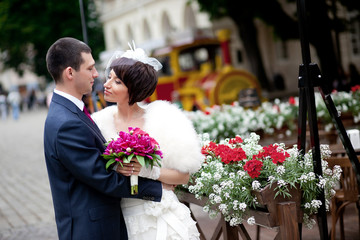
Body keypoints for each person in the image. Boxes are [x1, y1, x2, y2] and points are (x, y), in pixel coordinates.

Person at [44, 37, 163, 240]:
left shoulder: (69, 110)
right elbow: (104, 178)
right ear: (70, 73)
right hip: (91, 230)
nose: (97, 74)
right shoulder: (66, 123)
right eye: (90, 68)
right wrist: (157, 187)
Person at [91, 44, 203, 240]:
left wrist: (149, 171)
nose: (106, 84)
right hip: (123, 218)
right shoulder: (99, 123)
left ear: (133, 89)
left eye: (117, 81)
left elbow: (184, 176)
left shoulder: (163, 118)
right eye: (109, 78)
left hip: (164, 214)